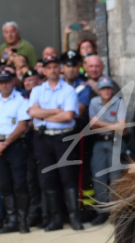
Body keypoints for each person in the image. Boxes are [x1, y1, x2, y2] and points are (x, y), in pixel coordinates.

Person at [27, 54, 80, 232]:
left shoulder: (69, 90)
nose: (52, 70)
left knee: (67, 177)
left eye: (55, 67)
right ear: (44, 70)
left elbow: (68, 116)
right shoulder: (37, 90)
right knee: (47, 179)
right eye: (48, 67)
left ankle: (74, 218)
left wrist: (44, 113)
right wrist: (54, 111)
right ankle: (55, 220)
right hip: (42, 138)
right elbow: (32, 112)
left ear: (60, 69)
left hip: (63, 137)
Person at [88, 78, 127, 216]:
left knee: (116, 178)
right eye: (103, 88)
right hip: (99, 142)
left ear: (112, 89)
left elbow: (122, 127)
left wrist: (101, 123)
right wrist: (113, 126)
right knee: (99, 177)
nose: (106, 91)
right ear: (99, 90)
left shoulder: (119, 102)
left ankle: (116, 213)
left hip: (115, 142)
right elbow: (92, 124)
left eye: (108, 88)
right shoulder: (94, 102)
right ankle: (102, 213)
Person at [0, 68, 30, 233]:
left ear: (12, 81)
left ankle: (22, 220)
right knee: (4, 184)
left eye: (7, 81)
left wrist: (5, 143)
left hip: (15, 144)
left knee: (20, 183)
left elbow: (22, 125)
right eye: (1, 82)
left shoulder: (21, 99)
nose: (4, 85)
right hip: (0, 145)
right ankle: (11, 221)